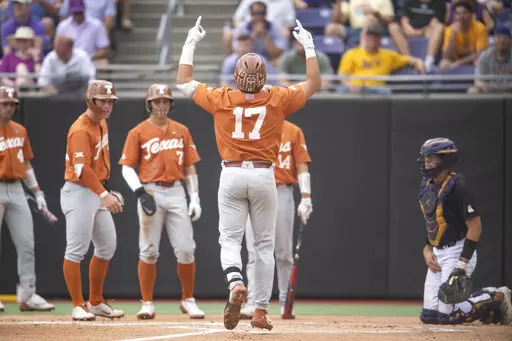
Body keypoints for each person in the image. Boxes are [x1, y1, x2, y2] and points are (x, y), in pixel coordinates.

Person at [176, 17, 321, 331]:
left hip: (231, 175)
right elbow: (314, 84)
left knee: (229, 239)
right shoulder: (278, 99)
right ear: (264, 76)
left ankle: (235, 282)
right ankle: (260, 310)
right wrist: (309, 46)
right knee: (264, 247)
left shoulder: (221, 98)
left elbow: (183, 81)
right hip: (264, 176)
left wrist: (191, 42)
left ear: (236, 75)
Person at [119, 84, 205, 320]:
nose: (161, 105)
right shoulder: (138, 132)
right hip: (151, 190)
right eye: (156, 101)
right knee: (148, 250)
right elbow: (127, 167)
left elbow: (190, 166)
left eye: (165, 101)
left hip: (177, 190)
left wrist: (194, 196)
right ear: (149, 104)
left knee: (186, 249)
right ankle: (147, 302)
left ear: (171, 104)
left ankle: (188, 300)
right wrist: (139, 192)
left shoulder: (182, 130)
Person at [417, 137, 512, 325]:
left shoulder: (457, 186)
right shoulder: (427, 184)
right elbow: (432, 220)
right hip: (438, 251)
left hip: (457, 252)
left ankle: (496, 296)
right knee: (429, 315)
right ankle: (487, 312)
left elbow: (475, 225)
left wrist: (462, 263)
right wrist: (427, 249)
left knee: (447, 316)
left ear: (446, 160)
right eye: (426, 157)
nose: (427, 161)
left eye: (433, 157)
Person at [61, 80, 125, 321]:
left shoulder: (102, 123)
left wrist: (102, 192)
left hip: (95, 190)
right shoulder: (80, 128)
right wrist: (103, 194)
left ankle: (96, 301)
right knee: (76, 249)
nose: (108, 105)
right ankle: (78, 305)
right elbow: (81, 169)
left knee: (107, 245)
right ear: (91, 100)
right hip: (79, 190)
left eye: (111, 101)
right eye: (103, 100)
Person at [240, 120, 313, 319]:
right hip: (255, 190)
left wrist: (306, 196)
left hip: (282, 190)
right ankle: (253, 302)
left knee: (283, 252)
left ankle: (285, 303)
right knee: (254, 251)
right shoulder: (252, 127)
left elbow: (301, 165)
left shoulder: (293, 130)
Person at [0, 86, 54, 313]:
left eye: (12, 104)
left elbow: (27, 164)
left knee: (26, 243)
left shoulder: (19, 130)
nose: (9, 107)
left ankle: (27, 294)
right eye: (5, 103)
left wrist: (38, 192)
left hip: (17, 188)